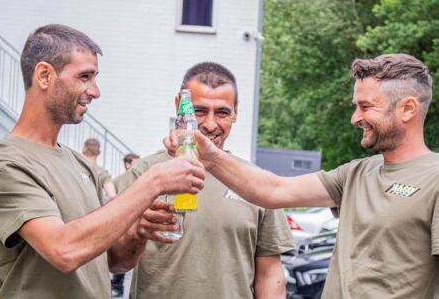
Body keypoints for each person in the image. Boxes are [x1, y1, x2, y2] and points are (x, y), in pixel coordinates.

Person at [174, 54, 439, 298]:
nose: (355, 118)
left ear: (407, 109)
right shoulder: (356, 173)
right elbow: (274, 191)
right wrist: (211, 156)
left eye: (365, 107)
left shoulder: (434, 178)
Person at [0, 24, 204, 299]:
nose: (95, 91)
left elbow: (115, 261)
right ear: (44, 75)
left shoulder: (82, 165)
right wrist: (154, 180)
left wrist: (139, 231)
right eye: (85, 77)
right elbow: (64, 251)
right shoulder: (4, 164)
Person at [116, 62, 294, 299]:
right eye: (199, 111)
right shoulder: (143, 174)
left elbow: (270, 276)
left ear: (236, 112)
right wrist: (137, 232)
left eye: (222, 112)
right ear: (180, 106)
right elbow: (114, 264)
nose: (210, 124)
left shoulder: (256, 184)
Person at [111, 152, 140, 298]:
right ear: (128, 164)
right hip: (121, 224)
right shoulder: (118, 180)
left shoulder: (140, 178)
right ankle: (117, 286)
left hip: (135, 222)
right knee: (119, 258)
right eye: (135, 162)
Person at [82, 137, 116, 202]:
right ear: (99, 152)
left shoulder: (74, 167)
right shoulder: (103, 173)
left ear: (83, 150)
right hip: (95, 210)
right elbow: (112, 195)